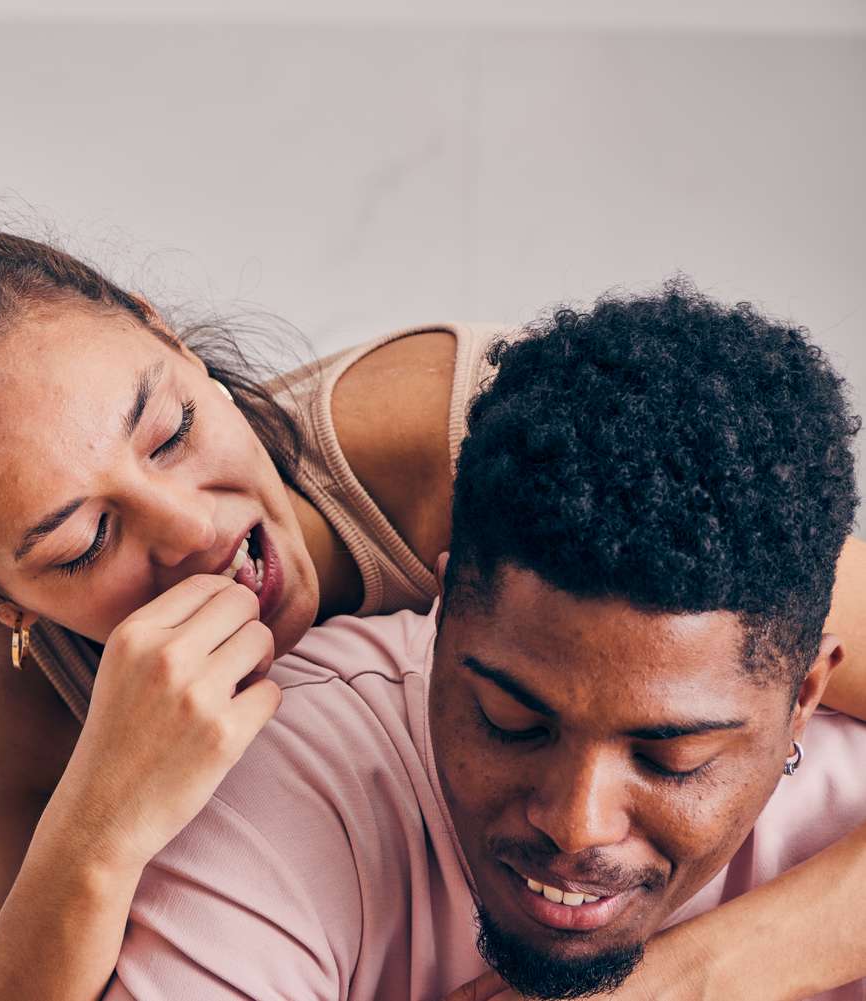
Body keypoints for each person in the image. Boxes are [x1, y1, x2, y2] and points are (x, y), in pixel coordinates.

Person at [0, 152, 866, 1000]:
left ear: (168, 334)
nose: (193, 528)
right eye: (82, 542)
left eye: (170, 426)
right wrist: (99, 824)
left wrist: (682, 982)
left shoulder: (463, 444)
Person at [106, 285, 866, 1000]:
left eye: (672, 757)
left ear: (804, 698)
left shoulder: (841, 800)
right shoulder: (276, 790)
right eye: (510, 719)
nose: (575, 823)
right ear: (440, 618)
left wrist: (690, 980)